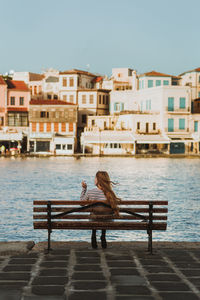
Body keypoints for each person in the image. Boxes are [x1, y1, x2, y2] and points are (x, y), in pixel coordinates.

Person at [80, 171, 121, 249]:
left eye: (95, 178)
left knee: (94, 215)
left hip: (94, 219)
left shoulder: (90, 192)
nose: (94, 179)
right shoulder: (110, 193)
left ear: (98, 180)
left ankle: (93, 236)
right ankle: (103, 236)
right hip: (107, 220)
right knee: (103, 214)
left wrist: (84, 189)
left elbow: (82, 203)